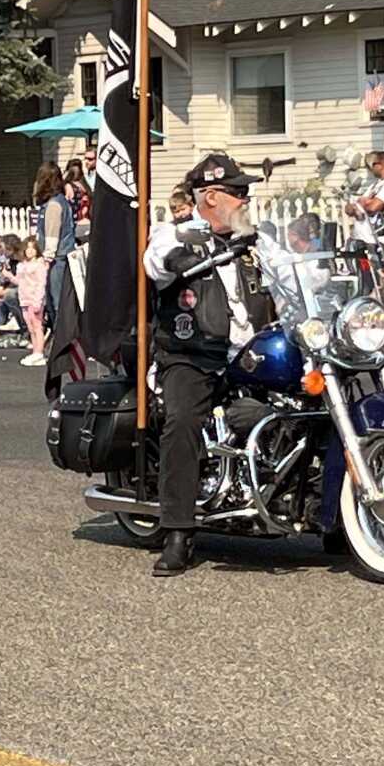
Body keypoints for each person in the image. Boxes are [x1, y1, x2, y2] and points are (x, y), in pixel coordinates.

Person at [143, 153, 278, 576]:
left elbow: (293, 277)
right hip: (192, 354)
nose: (246, 199)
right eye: (238, 192)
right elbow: (156, 261)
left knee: (311, 399)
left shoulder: (255, 242)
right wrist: (178, 261)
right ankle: (178, 531)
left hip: (248, 355)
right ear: (212, 196)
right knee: (183, 419)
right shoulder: (177, 233)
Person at [32, 161, 75, 318]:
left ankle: (60, 330)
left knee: (56, 302)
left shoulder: (54, 205)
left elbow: (52, 234)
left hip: (56, 260)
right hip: (62, 257)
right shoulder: (60, 200)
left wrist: (46, 258)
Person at [345, 150, 384, 249]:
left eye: (373, 164)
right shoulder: (374, 186)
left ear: (380, 165)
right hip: (367, 241)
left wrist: (363, 203)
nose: (371, 168)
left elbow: (372, 207)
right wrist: (361, 204)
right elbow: (350, 209)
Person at [16, 237, 50, 367]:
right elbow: (19, 281)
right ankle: (35, 351)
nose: (29, 251)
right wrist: (8, 275)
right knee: (30, 328)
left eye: (32, 248)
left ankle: (39, 352)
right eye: (27, 248)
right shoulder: (22, 266)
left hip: (34, 299)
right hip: (24, 299)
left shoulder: (39, 265)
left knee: (37, 326)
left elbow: (41, 284)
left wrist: (38, 301)